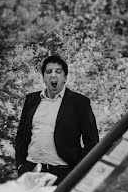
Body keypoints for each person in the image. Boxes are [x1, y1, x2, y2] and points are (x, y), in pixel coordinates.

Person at [14, 55, 99, 184]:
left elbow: (92, 141)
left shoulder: (79, 102)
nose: (53, 75)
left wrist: (77, 170)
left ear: (65, 78)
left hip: (63, 174)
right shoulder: (31, 100)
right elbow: (21, 134)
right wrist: (21, 165)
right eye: (48, 72)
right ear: (43, 78)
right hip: (30, 171)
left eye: (58, 71)